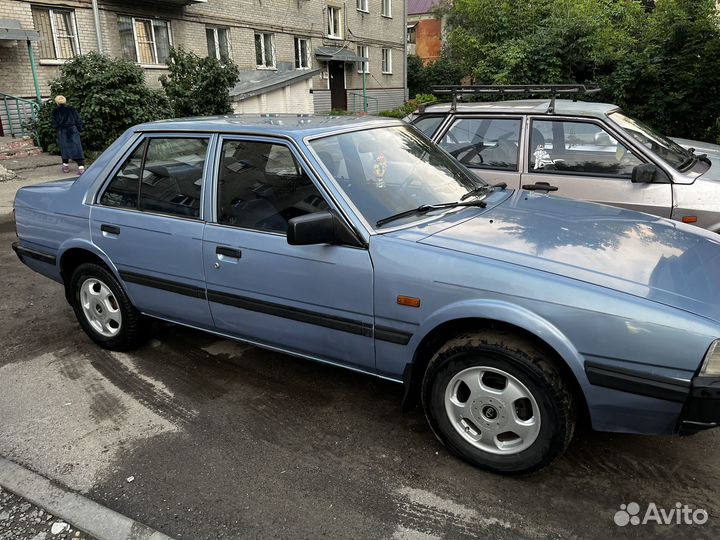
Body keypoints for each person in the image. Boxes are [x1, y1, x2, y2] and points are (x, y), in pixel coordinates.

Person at [52, 95, 85, 175]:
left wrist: (57, 128)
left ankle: (65, 167)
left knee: (64, 148)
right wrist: (79, 129)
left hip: (63, 131)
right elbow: (78, 120)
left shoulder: (56, 111)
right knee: (77, 148)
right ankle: (81, 168)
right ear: (65, 101)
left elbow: (55, 123)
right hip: (73, 130)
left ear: (56, 102)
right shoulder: (72, 110)